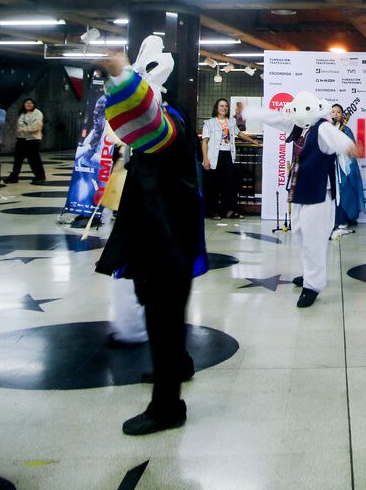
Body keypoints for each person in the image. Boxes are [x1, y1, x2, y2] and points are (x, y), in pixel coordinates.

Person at [92, 39, 207, 436]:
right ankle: (178, 366)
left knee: (163, 317)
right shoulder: (167, 119)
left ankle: (167, 406)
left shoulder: (169, 120)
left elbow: (147, 123)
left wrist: (121, 74)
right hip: (160, 238)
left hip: (167, 241)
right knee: (162, 312)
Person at [248, 90, 359, 308]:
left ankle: (313, 285)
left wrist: (348, 146)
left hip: (319, 193)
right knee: (300, 234)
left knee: (314, 241)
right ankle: (309, 275)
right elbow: (278, 119)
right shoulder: (300, 127)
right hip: (300, 191)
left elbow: (337, 139)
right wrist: (252, 111)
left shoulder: (323, 127)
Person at [201, 98, 257, 220]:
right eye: (221, 106)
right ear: (216, 108)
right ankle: (213, 211)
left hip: (228, 156)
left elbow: (240, 134)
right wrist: (205, 159)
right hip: (214, 157)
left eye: (226, 106)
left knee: (230, 184)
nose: (224, 108)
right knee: (213, 185)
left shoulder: (231, 122)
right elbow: (204, 142)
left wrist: (252, 141)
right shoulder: (209, 123)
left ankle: (230, 210)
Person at [330, 103, 365, 230]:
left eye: (338, 112)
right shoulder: (327, 128)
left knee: (343, 191)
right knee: (331, 193)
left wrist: (340, 150)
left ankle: (343, 218)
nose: (335, 114)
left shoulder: (346, 130)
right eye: (333, 111)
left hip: (342, 165)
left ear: (342, 115)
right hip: (330, 165)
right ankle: (332, 220)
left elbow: (351, 147)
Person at [7, 98, 47, 184]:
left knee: (34, 160)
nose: (28, 105)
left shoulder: (37, 113)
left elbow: (36, 126)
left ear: (34, 104)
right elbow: (19, 126)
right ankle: (14, 176)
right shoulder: (22, 113)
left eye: (30, 103)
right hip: (21, 139)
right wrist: (25, 129)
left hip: (33, 140)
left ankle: (40, 177)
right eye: (27, 103)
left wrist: (25, 129)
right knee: (18, 159)